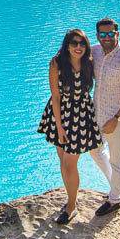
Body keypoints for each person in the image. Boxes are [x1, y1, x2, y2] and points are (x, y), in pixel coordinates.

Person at [37, 29, 103, 225]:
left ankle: (72, 205)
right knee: (62, 159)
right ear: (67, 45)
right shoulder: (57, 63)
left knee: (69, 163)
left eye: (82, 43)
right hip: (60, 113)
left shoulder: (89, 62)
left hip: (82, 115)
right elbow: (55, 96)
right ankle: (70, 198)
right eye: (74, 43)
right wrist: (59, 126)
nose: (78, 47)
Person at [89, 17, 120, 216]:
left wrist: (116, 118)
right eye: (103, 34)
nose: (107, 38)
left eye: (111, 34)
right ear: (98, 36)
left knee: (117, 158)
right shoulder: (95, 51)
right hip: (97, 112)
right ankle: (117, 185)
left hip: (118, 117)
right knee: (94, 149)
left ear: (117, 34)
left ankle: (115, 200)